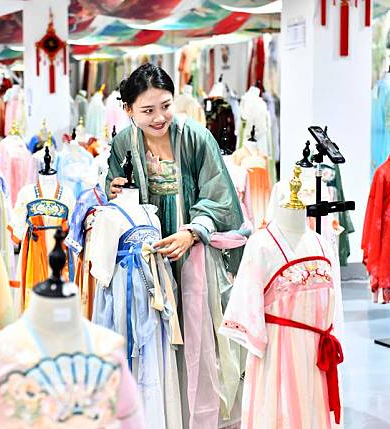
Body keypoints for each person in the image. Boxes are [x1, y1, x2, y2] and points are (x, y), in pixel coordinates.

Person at [106, 63, 246, 427]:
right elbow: (111, 188)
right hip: (147, 260)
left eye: (165, 106)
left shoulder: (196, 137)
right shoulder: (123, 142)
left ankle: (195, 417)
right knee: (156, 338)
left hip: (192, 253)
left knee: (197, 336)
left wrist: (192, 231)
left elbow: (221, 197)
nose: (159, 117)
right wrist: (115, 191)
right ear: (128, 111)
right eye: (147, 110)